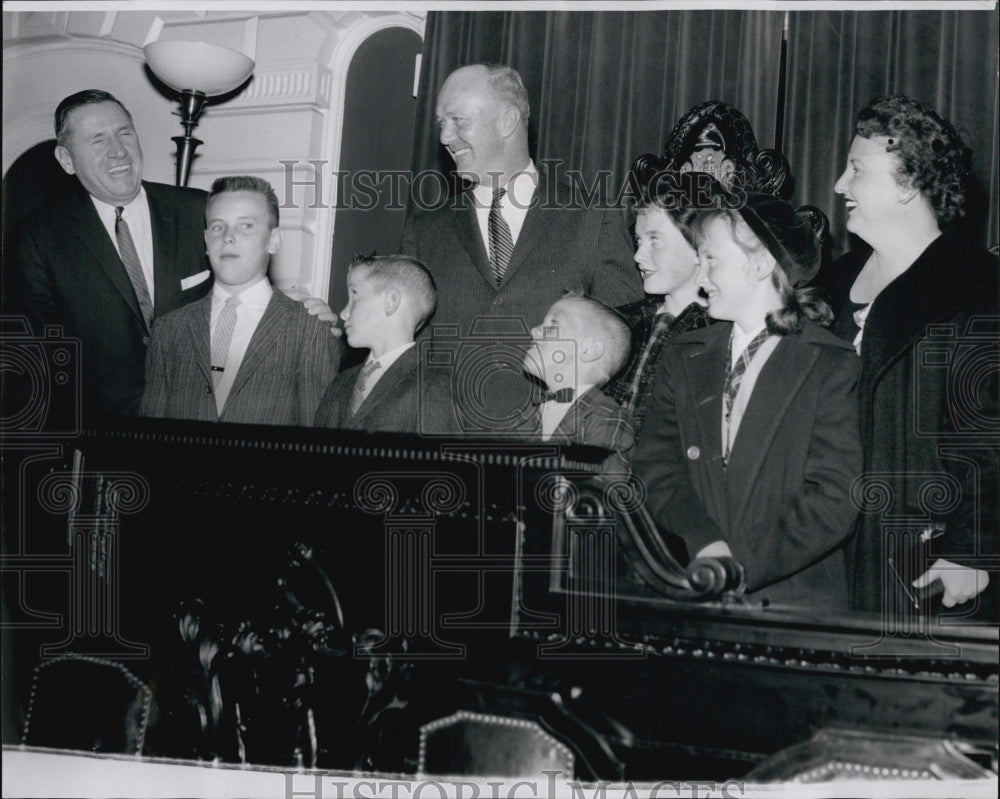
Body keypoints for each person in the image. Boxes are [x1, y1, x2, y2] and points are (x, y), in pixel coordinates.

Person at [7, 89, 334, 420]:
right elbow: (31, 368)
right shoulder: (39, 239)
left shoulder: (199, 212)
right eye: (98, 140)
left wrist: (301, 312)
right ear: (66, 160)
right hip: (103, 446)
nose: (118, 151)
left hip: (201, 432)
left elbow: (244, 292)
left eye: (124, 133)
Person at [632, 194, 862, 608]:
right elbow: (655, 465)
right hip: (697, 584)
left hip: (792, 601)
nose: (700, 274)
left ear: (759, 264)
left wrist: (740, 566)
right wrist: (704, 543)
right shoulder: (685, 354)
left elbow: (834, 496)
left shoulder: (830, 363)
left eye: (710, 259)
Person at [401, 63, 643, 434]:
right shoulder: (425, 229)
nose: (445, 137)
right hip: (443, 449)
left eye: (458, 120)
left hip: (550, 453)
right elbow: (402, 347)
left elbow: (621, 345)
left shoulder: (592, 218)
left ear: (508, 120)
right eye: (440, 123)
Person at [829, 96, 998, 618]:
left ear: (908, 183)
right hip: (826, 558)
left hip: (923, 568)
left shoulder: (980, 288)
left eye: (856, 169)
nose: (839, 185)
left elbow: (991, 438)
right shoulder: (828, 284)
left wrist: (973, 550)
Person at [142, 177, 341, 425]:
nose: (228, 237)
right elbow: (150, 443)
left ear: (274, 240)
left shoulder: (309, 331)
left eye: (245, 226)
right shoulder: (169, 330)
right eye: (217, 227)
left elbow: (317, 446)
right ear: (205, 241)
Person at [604, 171, 713, 444]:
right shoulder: (622, 321)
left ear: (698, 247)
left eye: (655, 240)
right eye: (639, 241)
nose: (638, 256)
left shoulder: (718, 333)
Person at [314, 255, 456, 434]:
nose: (343, 313)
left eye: (354, 296)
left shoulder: (432, 385)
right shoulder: (339, 384)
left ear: (390, 301)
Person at [523, 294, 636, 474]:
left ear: (589, 351)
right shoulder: (526, 416)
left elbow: (598, 490)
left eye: (553, 325)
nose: (534, 331)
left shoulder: (608, 417)